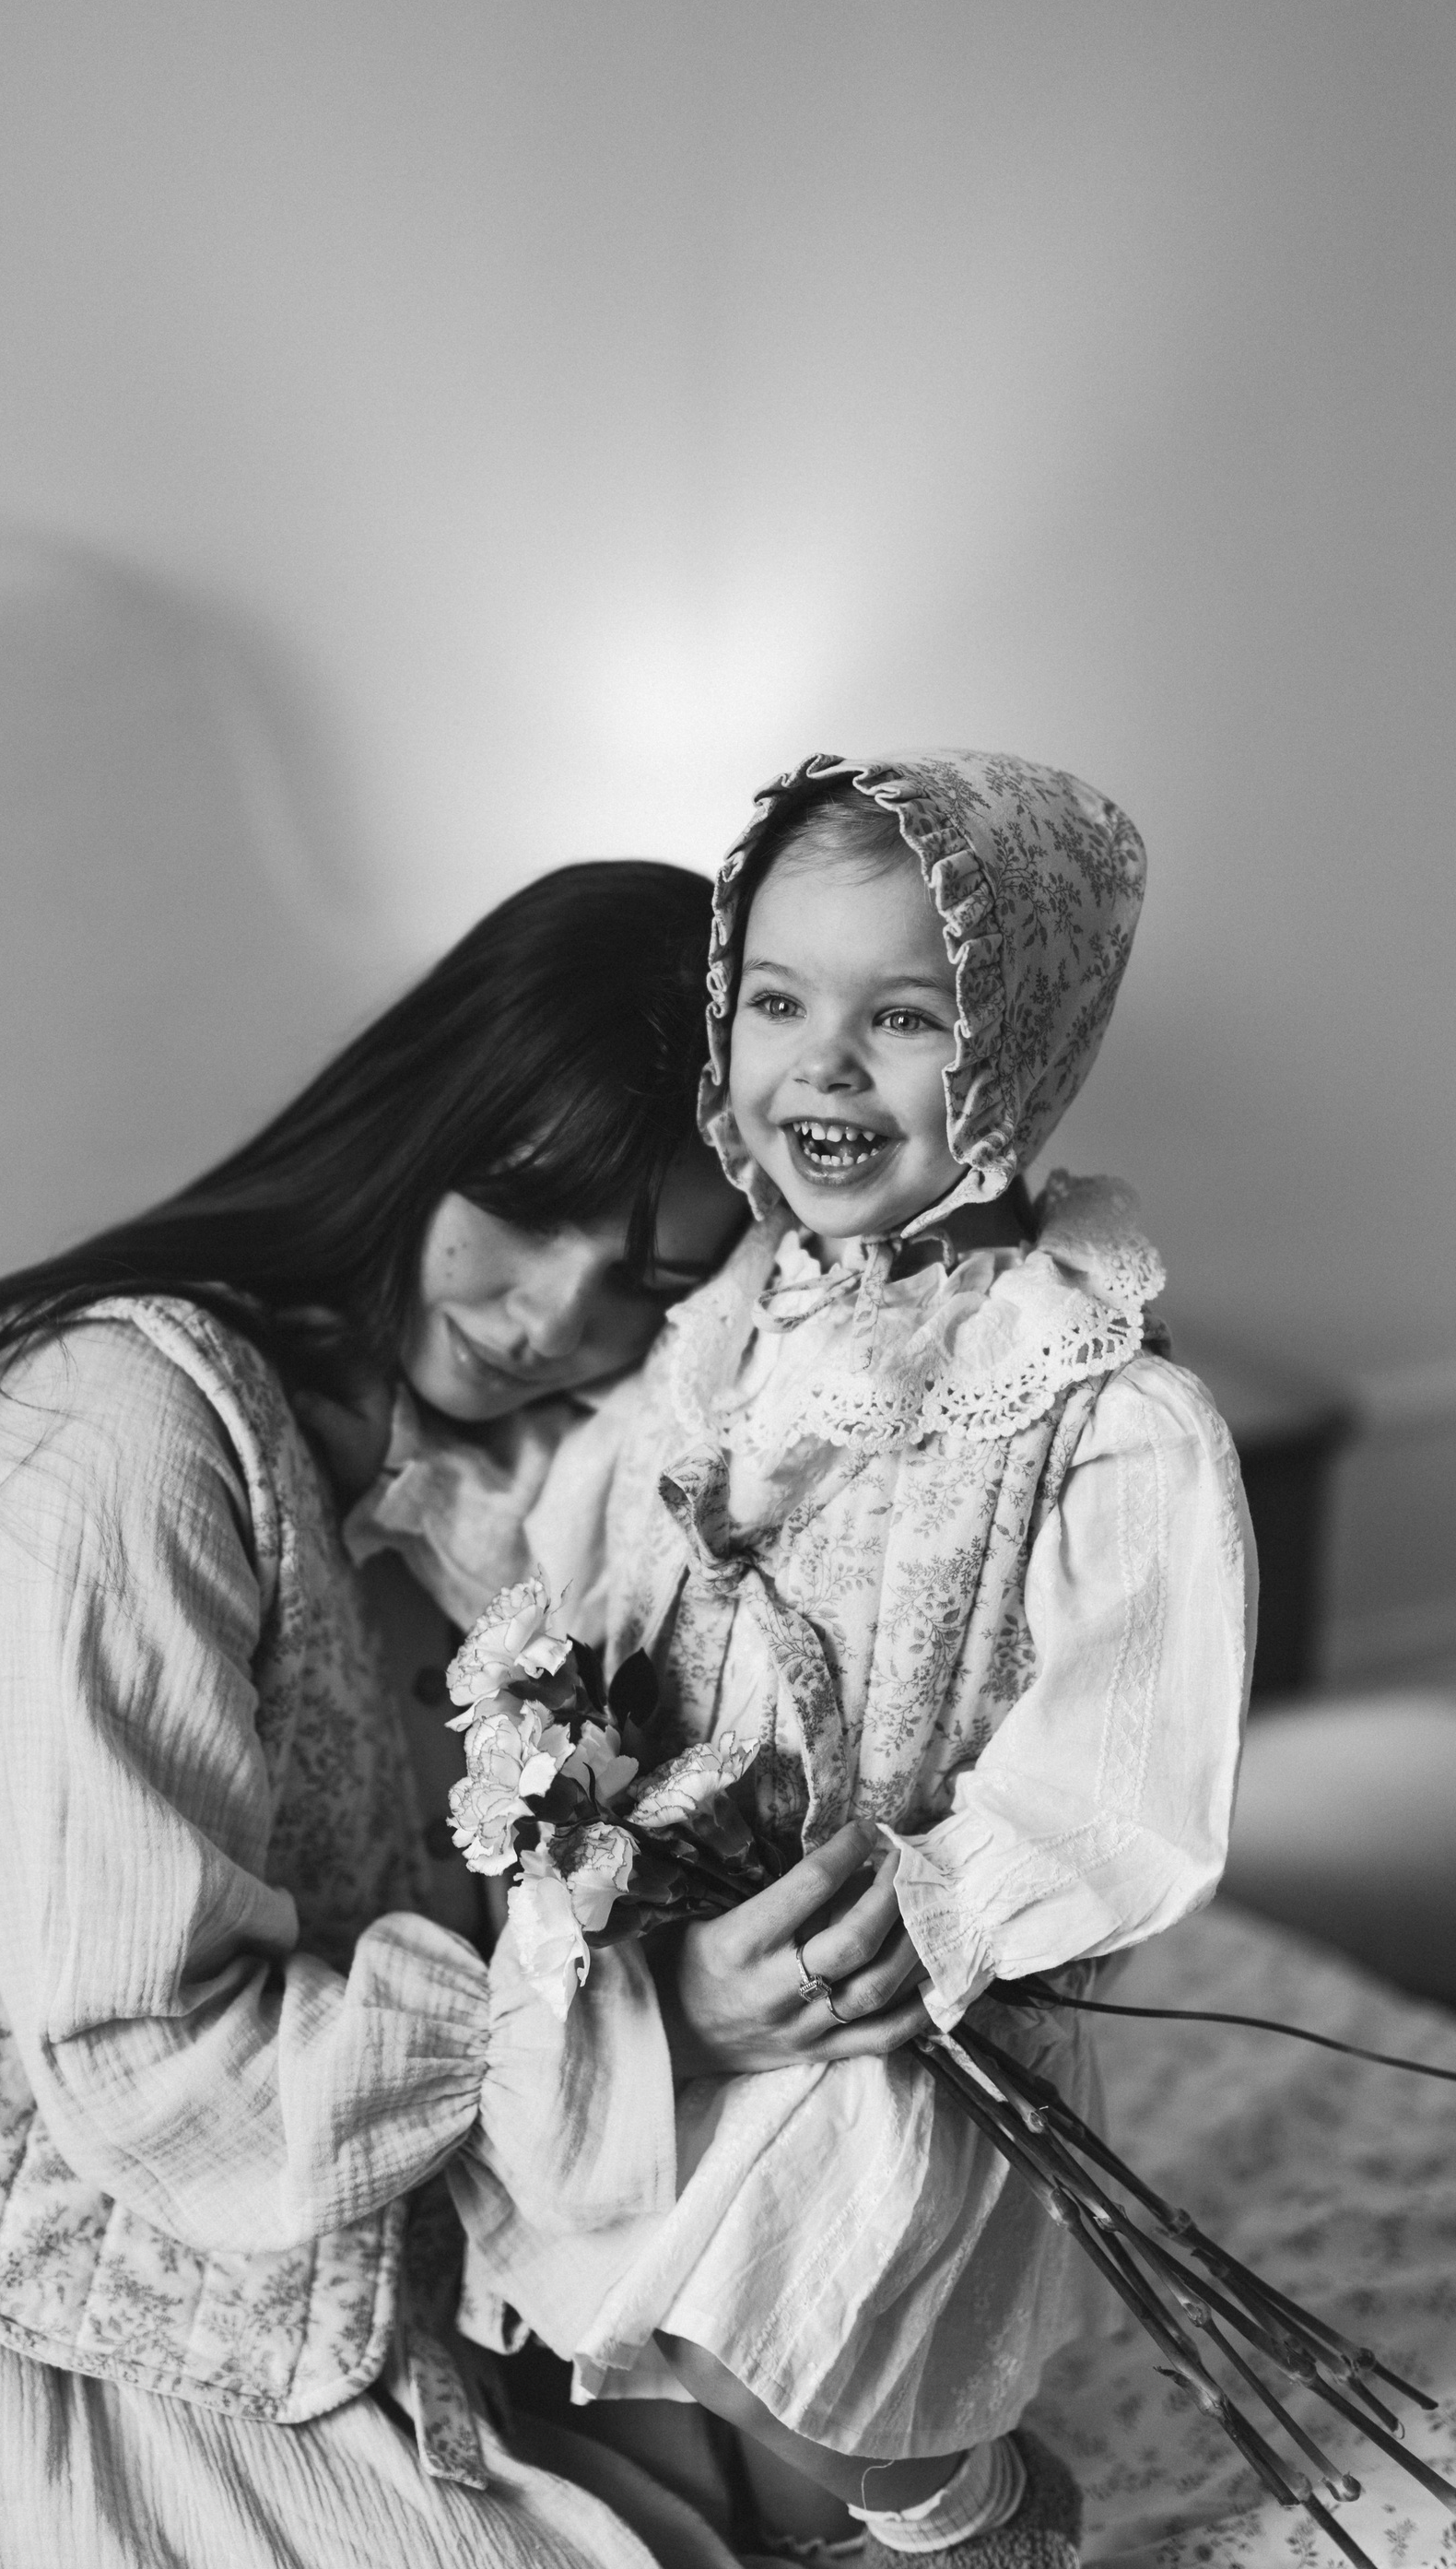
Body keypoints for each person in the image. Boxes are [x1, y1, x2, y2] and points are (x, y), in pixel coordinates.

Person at [0, 856, 897, 2569]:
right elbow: (148, 2055)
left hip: (287, 2206)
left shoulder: (468, 1476)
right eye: (525, 1204)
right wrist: (652, 2026)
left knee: (828, 2444)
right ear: (417, 1123)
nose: (553, 1314)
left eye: (645, 1279)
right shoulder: (102, 1434)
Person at [397, 758, 1254, 2565]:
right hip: (683, 1939)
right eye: (778, 1003)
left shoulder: (1097, 1409)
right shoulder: (722, 1331)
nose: (825, 1066)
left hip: (890, 2001)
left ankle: (972, 2508)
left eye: (906, 1019)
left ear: (1019, 1050)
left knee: (809, 2376)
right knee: (612, 2350)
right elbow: (591, 1556)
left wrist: (939, 1910)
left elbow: (1122, 1763)